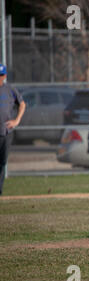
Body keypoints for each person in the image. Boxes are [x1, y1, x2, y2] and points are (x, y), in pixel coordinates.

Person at [0, 64, 26, 195]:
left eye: (1, 75)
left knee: (2, 161)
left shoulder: (9, 90)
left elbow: (22, 104)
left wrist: (17, 120)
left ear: (4, 76)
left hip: (6, 132)